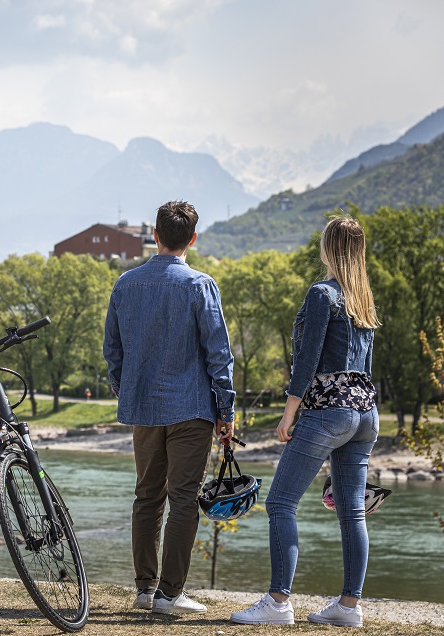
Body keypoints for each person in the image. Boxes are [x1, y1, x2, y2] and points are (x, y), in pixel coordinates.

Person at [230, 216, 381, 627]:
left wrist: (289, 414)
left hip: (328, 410)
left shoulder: (322, 295)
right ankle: (349, 608)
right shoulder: (362, 298)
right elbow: (365, 367)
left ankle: (278, 603)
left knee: (280, 502)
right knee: (352, 511)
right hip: (366, 412)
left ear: (327, 249)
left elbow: (307, 360)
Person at [103, 200, 235, 615]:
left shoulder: (126, 284)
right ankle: (169, 594)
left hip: (143, 408)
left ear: (155, 235)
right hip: (191, 409)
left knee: (146, 497)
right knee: (183, 499)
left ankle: (145, 590)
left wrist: (128, 390)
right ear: (192, 238)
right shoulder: (200, 285)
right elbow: (219, 356)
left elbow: (112, 350)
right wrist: (226, 412)